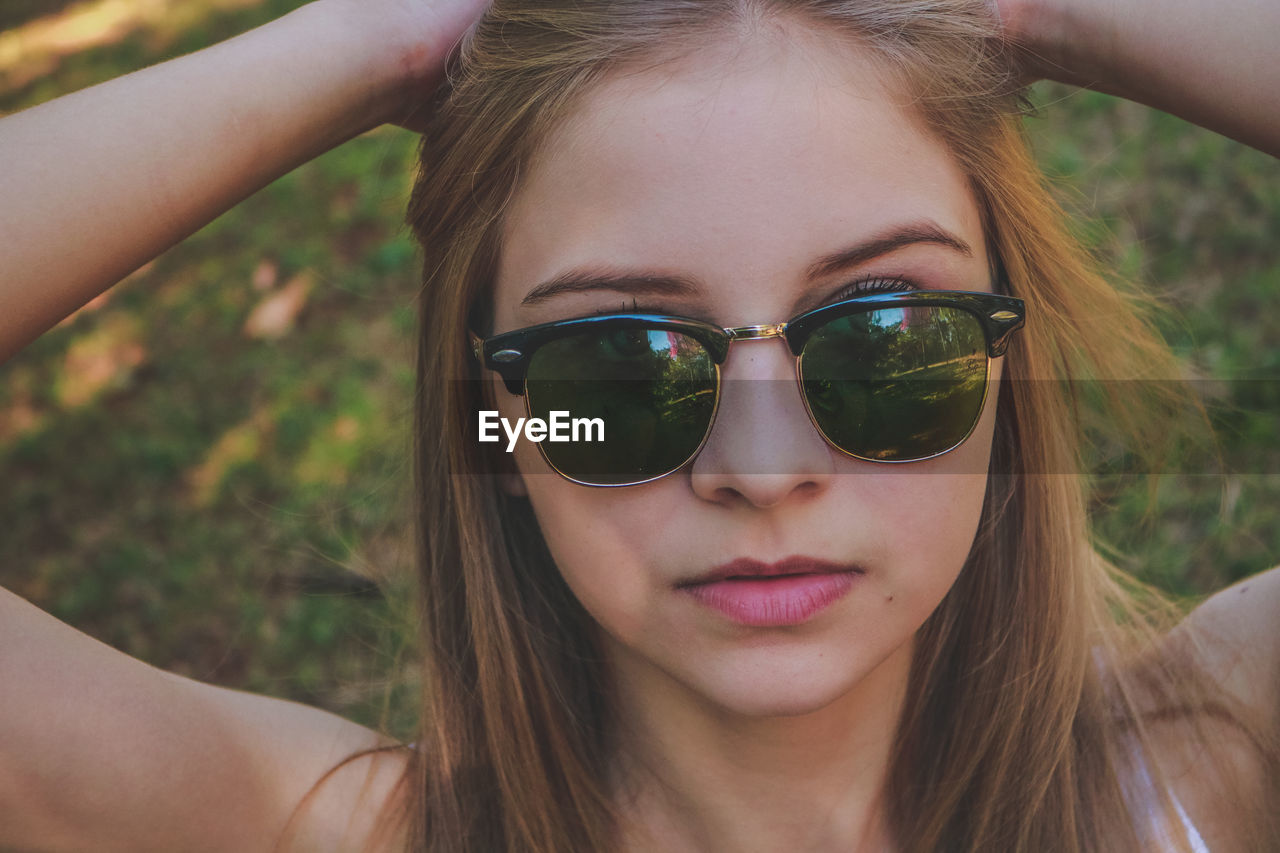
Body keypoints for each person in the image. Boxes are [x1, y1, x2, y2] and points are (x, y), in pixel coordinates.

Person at [1, 0, 1277, 850]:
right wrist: (376, 40)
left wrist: (1038, 13)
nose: (763, 471)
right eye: (615, 368)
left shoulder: (1211, 762)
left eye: (882, 336)